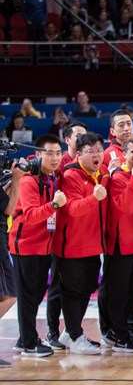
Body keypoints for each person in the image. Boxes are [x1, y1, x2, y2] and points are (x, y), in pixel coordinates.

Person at [9, 135, 63, 359]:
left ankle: (24, 338)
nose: (55, 158)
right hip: (26, 246)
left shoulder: (51, 177)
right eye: (49, 153)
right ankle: (29, 343)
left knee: (36, 294)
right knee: (28, 296)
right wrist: (53, 205)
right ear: (38, 154)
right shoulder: (29, 180)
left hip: (43, 247)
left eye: (58, 153)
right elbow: (30, 216)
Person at [55, 132, 108, 354]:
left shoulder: (101, 173)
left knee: (87, 289)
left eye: (99, 150)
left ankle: (71, 331)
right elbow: (73, 209)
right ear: (78, 154)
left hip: (93, 244)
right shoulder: (71, 175)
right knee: (73, 292)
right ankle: (76, 337)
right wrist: (93, 199)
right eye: (91, 151)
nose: (97, 155)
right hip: (72, 245)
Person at [104, 138, 133, 353]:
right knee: (119, 292)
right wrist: (132, 179)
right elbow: (124, 207)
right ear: (123, 154)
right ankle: (119, 334)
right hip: (121, 244)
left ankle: (129, 330)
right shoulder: (117, 177)